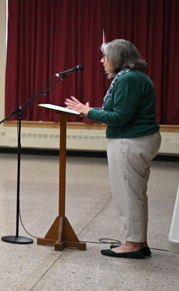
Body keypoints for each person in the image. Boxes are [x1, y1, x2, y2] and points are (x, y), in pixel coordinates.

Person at [65, 39, 161, 259]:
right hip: (138, 139)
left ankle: (133, 244)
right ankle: (139, 241)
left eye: (105, 56)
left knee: (127, 194)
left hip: (131, 140)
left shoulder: (128, 79)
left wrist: (88, 112)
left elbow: (120, 117)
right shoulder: (133, 76)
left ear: (118, 57)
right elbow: (120, 111)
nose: (101, 61)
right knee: (135, 193)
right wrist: (89, 110)